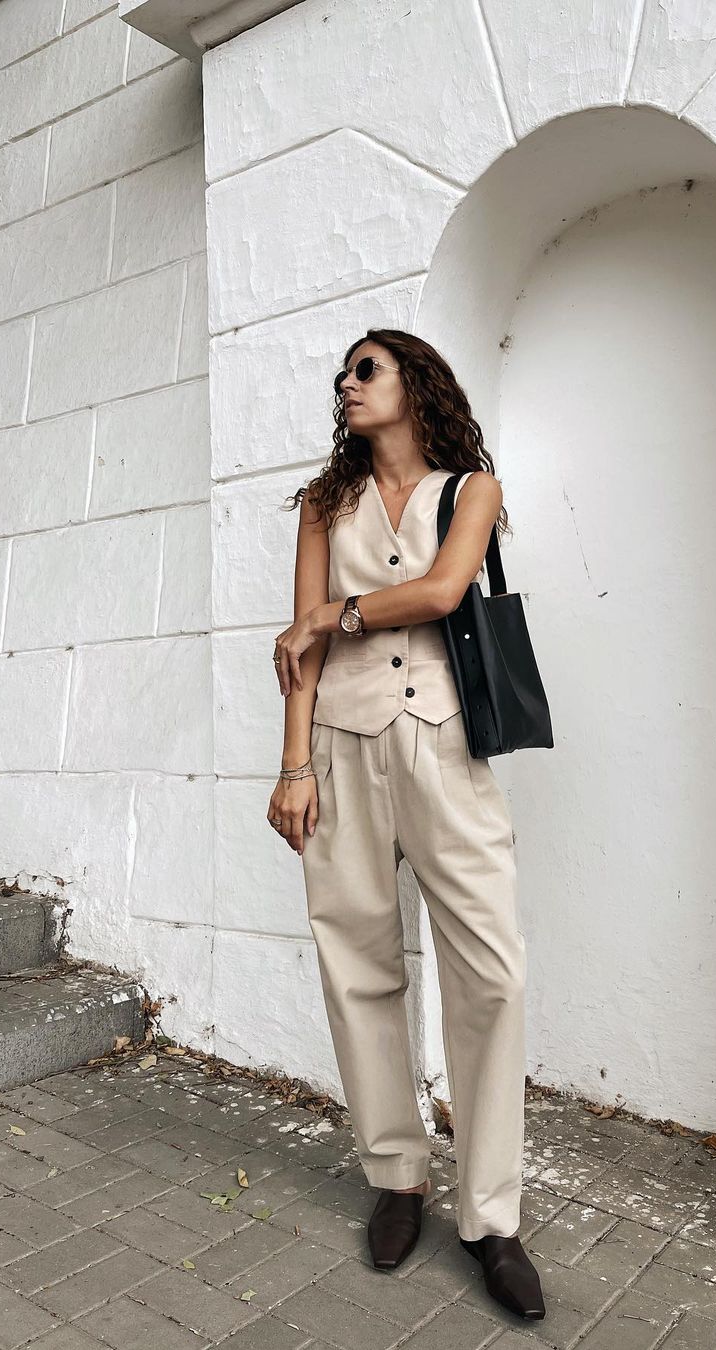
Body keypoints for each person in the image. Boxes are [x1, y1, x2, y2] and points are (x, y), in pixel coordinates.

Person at [266, 329, 545, 1320]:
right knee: (357, 963)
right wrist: (293, 766)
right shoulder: (323, 502)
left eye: (366, 369)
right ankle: (395, 1175)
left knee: (491, 973)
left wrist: (333, 614)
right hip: (339, 750)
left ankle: (492, 1216)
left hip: (444, 747)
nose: (347, 384)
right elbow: (296, 656)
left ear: (415, 383)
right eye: (341, 374)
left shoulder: (472, 489)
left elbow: (439, 592)